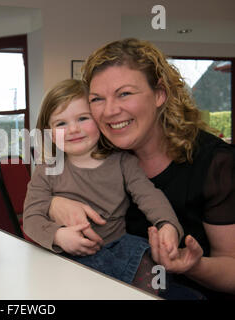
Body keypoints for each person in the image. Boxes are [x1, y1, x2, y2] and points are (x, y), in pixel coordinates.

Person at [49, 38, 235, 299]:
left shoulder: (216, 163)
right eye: (97, 99)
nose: (110, 111)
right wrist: (53, 202)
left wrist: (194, 265)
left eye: (124, 93)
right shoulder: (101, 154)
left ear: (159, 94)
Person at [23, 78, 183, 294]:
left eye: (82, 118)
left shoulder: (123, 162)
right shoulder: (45, 171)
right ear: (48, 132)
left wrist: (168, 225)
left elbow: (150, 196)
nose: (73, 129)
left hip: (120, 248)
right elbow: (31, 218)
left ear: (99, 120)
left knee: (158, 281)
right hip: (66, 254)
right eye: (61, 123)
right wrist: (58, 235)